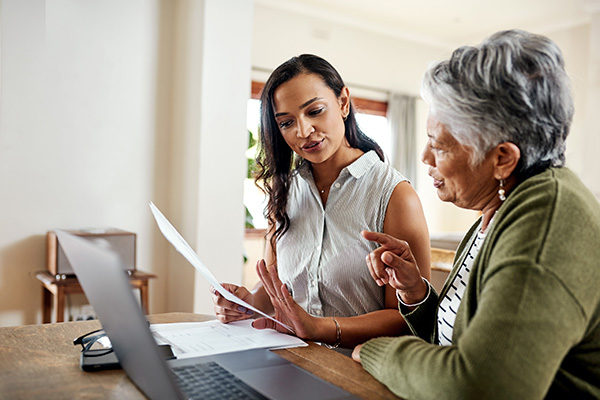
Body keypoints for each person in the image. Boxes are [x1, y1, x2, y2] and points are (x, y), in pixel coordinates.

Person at [352, 29, 600, 399]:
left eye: (438, 144)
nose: (425, 157)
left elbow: (478, 386)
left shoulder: (546, 223)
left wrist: (375, 349)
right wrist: (416, 291)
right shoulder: (497, 212)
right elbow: (457, 344)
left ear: (502, 158)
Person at [211, 54, 431, 353]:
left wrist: (320, 328)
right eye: (287, 122)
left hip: (358, 367)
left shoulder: (394, 195)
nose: (303, 132)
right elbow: (275, 286)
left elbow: (408, 319)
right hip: (290, 359)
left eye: (314, 111)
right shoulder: (285, 190)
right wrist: (246, 303)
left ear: (343, 103)